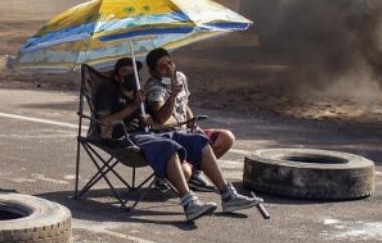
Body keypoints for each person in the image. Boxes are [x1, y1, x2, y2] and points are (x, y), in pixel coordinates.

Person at [94, 57, 260, 222]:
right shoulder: (108, 90)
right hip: (124, 138)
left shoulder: (139, 93)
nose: (130, 75)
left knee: (198, 140)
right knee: (168, 145)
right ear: (117, 77)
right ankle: (189, 203)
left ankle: (228, 196)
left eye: (133, 72)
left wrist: (147, 117)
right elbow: (104, 122)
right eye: (125, 72)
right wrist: (133, 106)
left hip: (148, 134)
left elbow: (157, 120)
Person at [143, 47, 236, 192]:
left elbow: (185, 106)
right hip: (171, 137)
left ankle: (196, 174)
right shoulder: (154, 88)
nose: (168, 68)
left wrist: (194, 125)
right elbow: (161, 119)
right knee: (185, 172)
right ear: (153, 71)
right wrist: (172, 95)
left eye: (170, 63)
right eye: (162, 66)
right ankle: (176, 174)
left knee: (226, 137)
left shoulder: (180, 77)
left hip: (187, 131)